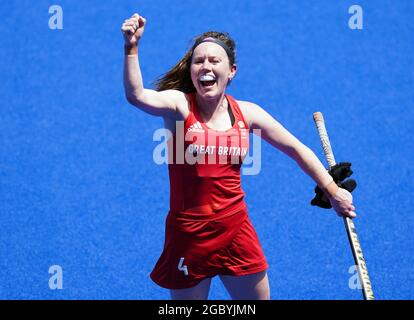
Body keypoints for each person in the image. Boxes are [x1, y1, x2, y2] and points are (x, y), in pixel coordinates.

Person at [121, 13, 357, 300]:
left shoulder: (247, 113)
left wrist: (332, 190)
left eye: (214, 61)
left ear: (231, 71)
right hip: (189, 235)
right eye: (199, 61)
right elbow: (137, 96)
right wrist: (131, 49)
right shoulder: (179, 105)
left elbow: (296, 149)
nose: (205, 66)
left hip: (235, 229)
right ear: (192, 71)